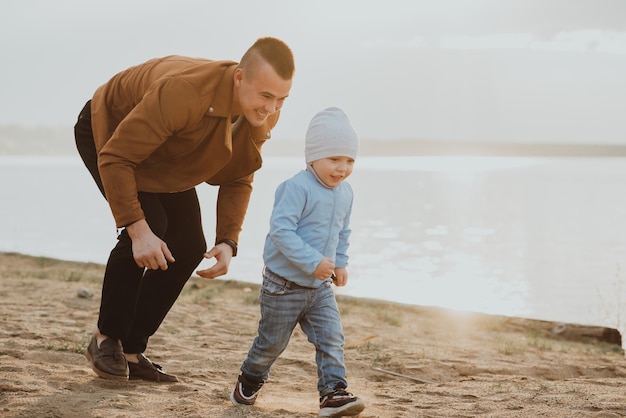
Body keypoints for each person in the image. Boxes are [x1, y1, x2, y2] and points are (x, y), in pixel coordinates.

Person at [74, 37, 295, 383]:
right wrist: (137, 228)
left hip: (167, 152)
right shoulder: (186, 92)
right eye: (266, 96)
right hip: (109, 131)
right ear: (239, 78)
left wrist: (227, 240)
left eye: (281, 99)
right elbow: (117, 156)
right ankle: (105, 338)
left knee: (190, 244)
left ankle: (131, 350)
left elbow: (239, 175)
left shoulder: (263, 113)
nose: (271, 107)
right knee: (152, 225)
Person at [230, 107, 365, 417]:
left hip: (319, 287)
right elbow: (281, 231)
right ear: (312, 158)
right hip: (283, 286)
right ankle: (248, 381)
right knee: (271, 344)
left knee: (331, 338)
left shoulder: (345, 193)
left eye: (349, 161)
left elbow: (342, 231)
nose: (342, 168)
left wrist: (340, 262)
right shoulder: (297, 187)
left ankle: (333, 393)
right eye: (334, 159)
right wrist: (311, 261)